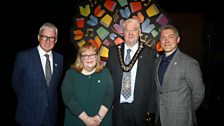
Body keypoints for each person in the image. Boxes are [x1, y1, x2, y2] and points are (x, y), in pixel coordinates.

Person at [107, 18, 157, 126]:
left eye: (134, 30)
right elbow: (108, 79)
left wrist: (151, 109)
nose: (130, 33)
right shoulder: (113, 51)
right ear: (122, 32)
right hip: (117, 108)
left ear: (139, 32)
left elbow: (154, 84)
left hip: (141, 108)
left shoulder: (150, 54)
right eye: (126, 30)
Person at [12, 22, 64, 126]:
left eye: (52, 38)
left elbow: (55, 84)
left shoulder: (59, 58)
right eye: (45, 37)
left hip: (50, 115)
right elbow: (16, 84)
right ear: (38, 37)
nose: (48, 41)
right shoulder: (24, 56)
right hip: (28, 115)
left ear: (56, 40)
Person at [155, 24, 205, 126]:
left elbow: (199, 94)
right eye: (163, 38)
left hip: (180, 119)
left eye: (171, 37)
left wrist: (187, 110)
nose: (166, 41)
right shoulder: (157, 61)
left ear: (178, 40)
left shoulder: (189, 63)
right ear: (160, 41)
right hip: (160, 117)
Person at [61, 43, 114, 126]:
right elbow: (68, 98)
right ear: (80, 58)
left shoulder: (105, 73)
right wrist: (86, 119)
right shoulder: (71, 74)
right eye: (85, 55)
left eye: (92, 54)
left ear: (97, 57)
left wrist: (98, 118)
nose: (89, 58)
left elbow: (109, 95)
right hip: (76, 121)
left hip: (101, 121)